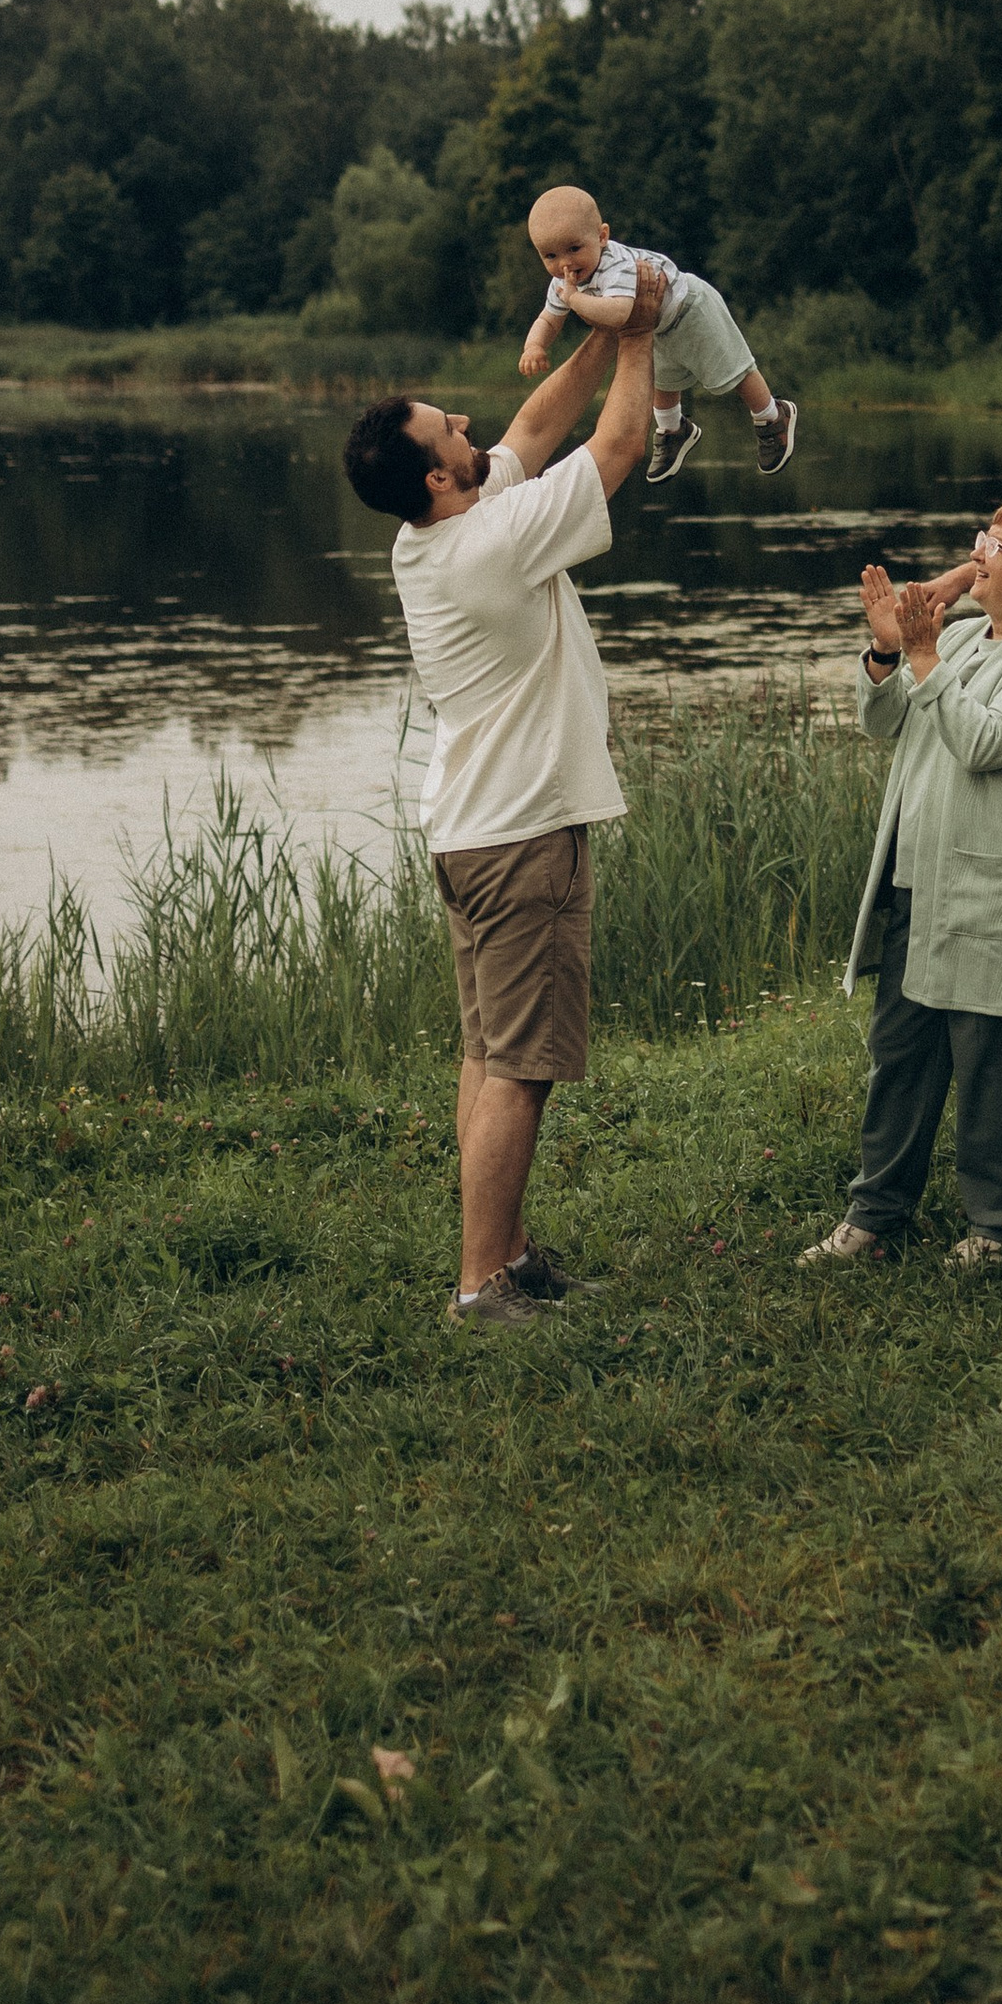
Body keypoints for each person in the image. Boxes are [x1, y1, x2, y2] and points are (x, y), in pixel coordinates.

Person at [339, 255, 663, 1330]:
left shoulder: (429, 534)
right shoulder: (491, 544)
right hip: (521, 837)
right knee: (523, 1067)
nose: (469, 423)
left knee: (487, 1053)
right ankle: (480, 1287)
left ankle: (510, 1258)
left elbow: (530, 428)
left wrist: (592, 329)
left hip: (471, 830)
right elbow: (616, 446)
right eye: (448, 428)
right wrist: (643, 332)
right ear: (439, 475)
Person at [800, 503, 1002, 1269]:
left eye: (992, 548)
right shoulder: (965, 635)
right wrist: (884, 650)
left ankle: (994, 1230)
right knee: (900, 1054)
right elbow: (886, 720)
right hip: (920, 880)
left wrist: (925, 659)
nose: (975, 555)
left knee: (994, 1059)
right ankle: (875, 1216)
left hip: (999, 888)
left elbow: (984, 743)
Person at [519, 183, 795, 487]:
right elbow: (548, 318)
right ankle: (673, 430)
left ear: (602, 236)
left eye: (574, 249)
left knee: (732, 371)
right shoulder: (564, 281)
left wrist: (574, 300)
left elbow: (620, 314)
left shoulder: (616, 266)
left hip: (691, 309)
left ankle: (771, 416)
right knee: (662, 383)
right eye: (550, 256)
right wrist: (535, 345)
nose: (565, 264)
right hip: (657, 324)